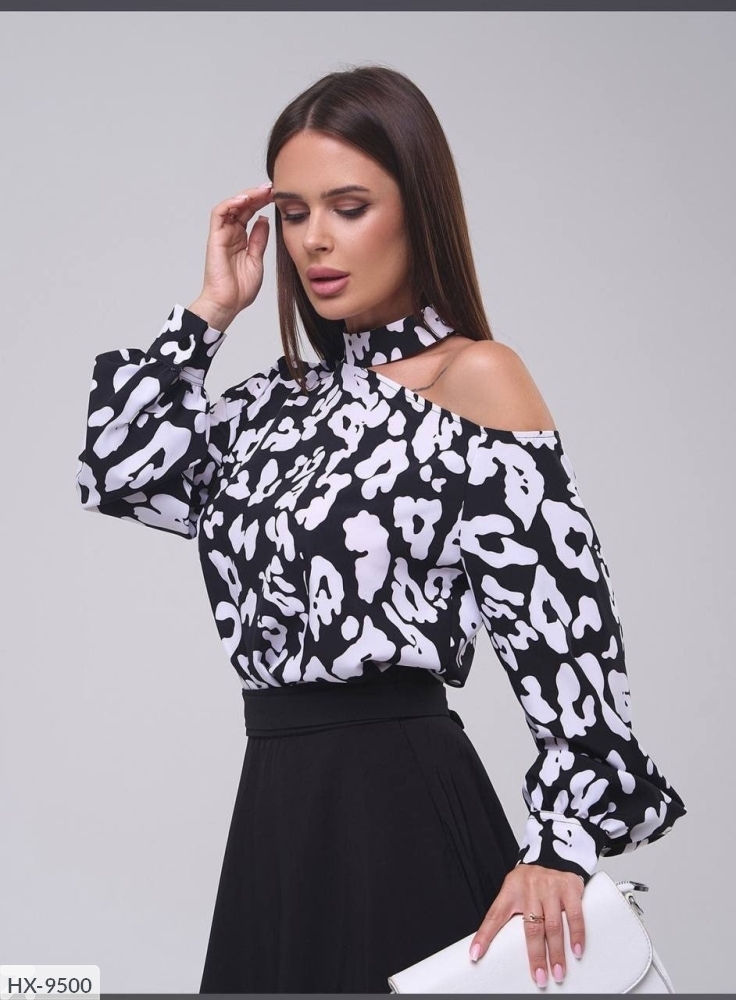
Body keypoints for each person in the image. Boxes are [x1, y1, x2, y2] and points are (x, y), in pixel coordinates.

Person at [75, 64, 686, 994]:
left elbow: (569, 633)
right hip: (275, 816)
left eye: (349, 207)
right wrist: (211, 311)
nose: (314, 239)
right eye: (292, 212)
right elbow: (120, 470)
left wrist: (560, 846)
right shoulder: (275, 406)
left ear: (416, 210)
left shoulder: (475, 380)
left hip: (398, 812)